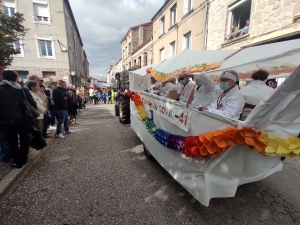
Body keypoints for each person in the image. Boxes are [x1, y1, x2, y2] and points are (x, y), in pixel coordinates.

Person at [0, 70, 37, 168]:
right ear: (15, 78)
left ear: (3, 78)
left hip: (6, 121)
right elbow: (33, 104)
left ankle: (17, 161)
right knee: (24, 139)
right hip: (23, 119)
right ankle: (24, 158)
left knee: (12, 142)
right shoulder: (22, 89)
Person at [0, 66, 11, 162]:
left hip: (6, 117)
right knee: (5, 139)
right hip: (4, 118)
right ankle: (5, 156)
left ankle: (5, 155)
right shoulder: (3, 88)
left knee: (4, 139)